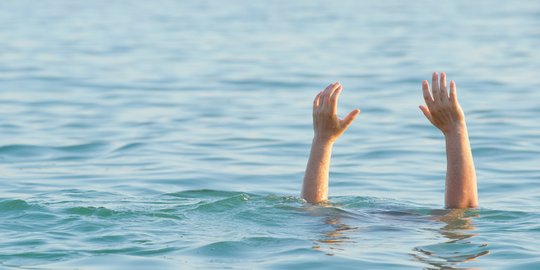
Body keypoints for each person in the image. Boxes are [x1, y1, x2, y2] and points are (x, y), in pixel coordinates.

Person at [301, 72, 478, 209]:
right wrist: (455, 130)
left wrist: (323, 140)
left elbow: (312, 211)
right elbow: (462, 215)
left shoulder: (342, 224)